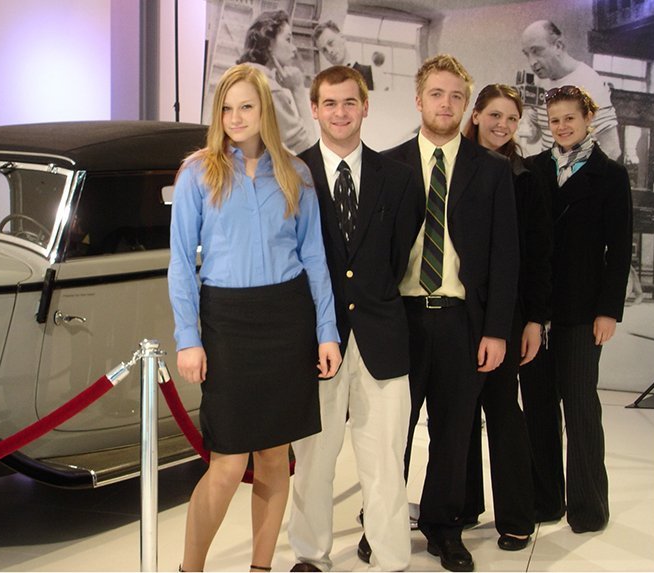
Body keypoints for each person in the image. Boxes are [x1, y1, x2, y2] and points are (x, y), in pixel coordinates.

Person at [168, 63, 342, 572]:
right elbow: (181, 261)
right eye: (227, 107)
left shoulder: (295, 172)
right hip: (226, 322)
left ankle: (261, 568)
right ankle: (189, 569)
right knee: (226, 464)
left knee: (273, 458)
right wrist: (187, 336)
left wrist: (326, 333)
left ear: (264, 110)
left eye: (247, 106)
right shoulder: (197, 172)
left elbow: (314, 259)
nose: (236, 117)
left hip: (287, 320)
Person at [381, 54, 519, 572]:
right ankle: (385, 523)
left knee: (455, 431)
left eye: (456, 96)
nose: (446, 104)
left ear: (467, 105)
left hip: (463, 322)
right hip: (401, 320)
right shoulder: (388, 165)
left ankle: (444, 527)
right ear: (419, 100)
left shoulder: (491, 171)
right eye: (437, 94)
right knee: (393, 431)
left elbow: (506, 258)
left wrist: (497, 331)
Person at [286, 65, 423, 573]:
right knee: (315, 460)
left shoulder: (399, 179)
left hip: (382, 338)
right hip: (317, 340)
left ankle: (391, 559)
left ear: (365, 106)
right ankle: (310, 555)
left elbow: (396, 255)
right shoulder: (292, 172)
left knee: (385, 458)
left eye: (349, 102)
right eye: (330, 103)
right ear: (314, 108)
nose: (340, 112)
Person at [520, 85, 632, 534]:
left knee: (581, 406)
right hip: (536, 311)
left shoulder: (610, 175)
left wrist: (609, 310)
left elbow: (618, 248)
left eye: (571, 117)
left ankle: (588, 507)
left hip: (583, 312)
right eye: (555, 119)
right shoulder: (532, 170)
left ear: (589, 119)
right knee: (539, 407)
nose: (563, 126)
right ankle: (546, 501)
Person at [460, 84, 553, 551]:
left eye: (511, 119)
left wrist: (535, 319)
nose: (502, 125)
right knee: (455, 415)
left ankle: (517, 515)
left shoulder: (525, 175)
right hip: (456, 310)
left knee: (502, 411)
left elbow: (537, 255)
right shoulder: (450, 164)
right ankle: (463, 505)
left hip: (507, 313)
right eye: (494, 115)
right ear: (475, 115)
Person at [520, 20, 622, 160]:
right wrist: (521, 120)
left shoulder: (589, 82)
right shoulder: (540, 82)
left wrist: (580, 179)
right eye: (527, 54)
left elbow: (612, 149)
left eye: (536, 51)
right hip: (547, 176)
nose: (532, 62)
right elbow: (534, 135)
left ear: (558, 46)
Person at [237, 10, 318, 154]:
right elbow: (309, 149)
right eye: (288, 39)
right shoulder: (269, 89)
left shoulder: (238, 77)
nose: (294, 48)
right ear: (268, 43)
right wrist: (298, 89)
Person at [312, 21, 374, 90]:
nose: (329, 51)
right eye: (324, 50)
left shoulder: (369, 72)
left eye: (331, 43)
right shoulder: (326, 85)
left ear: (342, 38)